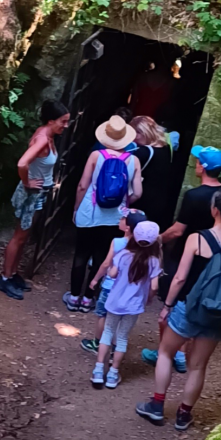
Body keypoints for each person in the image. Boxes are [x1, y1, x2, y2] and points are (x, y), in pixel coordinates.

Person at [135, 188, 221, 429]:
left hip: (188, 307)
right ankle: (184, 414)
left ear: (215, 211)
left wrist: (168, 306)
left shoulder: (198, 238)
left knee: (165, 353)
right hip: (217, 314)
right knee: (198, 365)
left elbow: (180, 278)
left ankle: (157, 406)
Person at [140, 145, 221, 372]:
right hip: (213, 260)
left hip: (187, 255)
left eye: (198, 160)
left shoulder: (194, 196)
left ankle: (167, 353)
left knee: (174, 302)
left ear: (202, 167)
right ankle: (180, 353)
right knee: (192, 303)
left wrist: (157, 239)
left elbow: (178, 231)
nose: (196, 163)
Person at [64, 116, 143, 313]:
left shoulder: (96, 156)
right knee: (101, 255)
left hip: (89, 212)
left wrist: (76, 208)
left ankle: (74, 297)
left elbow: (83, 185)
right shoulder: (134, 160)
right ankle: (89, 299)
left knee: (81, 253)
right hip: (115, 216)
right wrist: (124, 203)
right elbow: (138, 192)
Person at [0, 100, 71, 300]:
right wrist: (27, 182)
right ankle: (4, 278)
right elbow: (22, 163)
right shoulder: (42, 140)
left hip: (38, 193)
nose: (65, 126)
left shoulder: (46, 134)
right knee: (19, 236)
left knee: (24, 236)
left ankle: (12, 274)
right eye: (62, 122)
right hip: (32, 193)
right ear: (50, 120)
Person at [90, 220, 162, 389]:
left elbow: (112, 274)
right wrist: (149, 298)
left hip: (115, 301)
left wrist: (110, 271)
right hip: (134, 305)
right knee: (121, 337)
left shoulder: (123, 255)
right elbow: (154, 286)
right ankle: (113, 373)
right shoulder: (154, 261)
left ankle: (98, 371)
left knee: (108, 332)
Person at [80, 209, 147, 354]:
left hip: (111, 286)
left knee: (103, 315)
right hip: (130, 290)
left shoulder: (117, 242)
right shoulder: (145, 248)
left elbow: (106, 264)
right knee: (122, 319)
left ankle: (97, 343)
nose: (120, 219)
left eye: (123, 218)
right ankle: (115, 350)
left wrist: (95, 279)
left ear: (128, 228)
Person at [129, 116, 179, 231]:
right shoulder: (166, 148)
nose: (133, 138)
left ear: (144, 132)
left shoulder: (143, 152)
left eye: (136, 133)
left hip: (142, 202)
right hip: (160, 201)